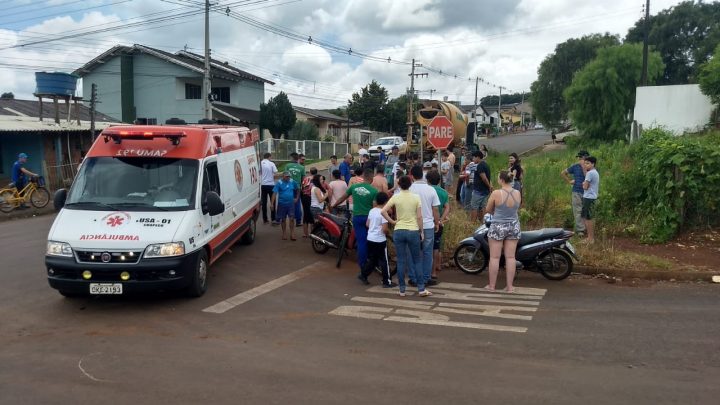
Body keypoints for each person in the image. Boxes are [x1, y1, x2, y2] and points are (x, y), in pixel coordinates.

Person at [381, 175, 429, 297]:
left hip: (399, 230)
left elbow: (383, 211)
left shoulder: (396, 197)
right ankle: (421, 289)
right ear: (410, 184)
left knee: (401, 261)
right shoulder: (416, 197)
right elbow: (419, 217)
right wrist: (422, 232)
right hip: (413, 230)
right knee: (417, 260)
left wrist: (392, 221)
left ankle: (402, 290)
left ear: (400, 185)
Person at [331, 168, 378, 272]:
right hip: (369, 219)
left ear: (363, 177)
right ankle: (371, 260)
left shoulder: (354, 187)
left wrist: (334, 205)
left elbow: (342, 198)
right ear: (371, 179)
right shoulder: (374, 191)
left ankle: (362, 265)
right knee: (371, 239)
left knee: (361, 241)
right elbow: (375, 207)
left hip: (357, 217)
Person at [485, 170, 522, 293]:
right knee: (511, 257)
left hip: (498, 225)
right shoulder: (517, 192)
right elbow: (517, 208)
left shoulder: (496, 193)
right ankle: (510, 287)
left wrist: (496, 213)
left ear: (501, 180)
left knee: (495, 257)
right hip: (513, 225)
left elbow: (488, 209)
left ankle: (492, 286)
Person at [409, 165, 440, 287]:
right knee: (427, 252)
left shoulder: (408, 189)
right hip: (428, 225)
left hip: (412, 225)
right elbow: (435, 209)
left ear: (411, 175)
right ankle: (426, 278)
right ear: (423, 176)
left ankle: (413, 277)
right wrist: (437, 222)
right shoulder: (431, 189)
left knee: (412, 252)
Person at [358, 192, 396, 288]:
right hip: (380, 240)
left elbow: (367, 224)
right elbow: (385, 229)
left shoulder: (372, 211)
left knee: (373, 260)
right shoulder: (384, 213)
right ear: (386, 202)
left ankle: (363, 274)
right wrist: (388, 234)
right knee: (384, 261)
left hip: (370, 238)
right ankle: (387, 281)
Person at [427, 170, 449, 282]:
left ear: (427, 180)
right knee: (436, 247)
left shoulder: (427, 190)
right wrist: (441, 219)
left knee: (425, 247)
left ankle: (425, 271)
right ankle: (434, 271)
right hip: (438, 223)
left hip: (426, 222)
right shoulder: (443, 192)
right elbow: (447, 207)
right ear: (439, 180)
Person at [561, 151, 589, 236]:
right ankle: (580, 230)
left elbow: (588, 177)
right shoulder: (575, 166)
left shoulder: (590, 167)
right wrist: (569, 181)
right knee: (577, 210)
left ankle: (587, 228)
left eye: (581, 158)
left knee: (586, 210)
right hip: (576, 191)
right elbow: (563, 173)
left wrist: (584, 167)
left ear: (586, 158)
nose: (579, 159)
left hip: (587, 192)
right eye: (579, 158)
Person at [271, 172, 299, 241]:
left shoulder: (292, 182)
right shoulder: (279, 183)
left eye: (289, 176)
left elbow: (298, 189)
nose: (288, 178)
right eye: (286, 176)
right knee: (283, 219)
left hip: (291, 204)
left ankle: (292, 233)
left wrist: (296, 198)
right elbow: (274, 193)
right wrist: (272, 204)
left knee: (292, 219)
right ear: (283, 176)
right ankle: (284, 233)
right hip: (282, 204)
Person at [470, 150, 492, 222]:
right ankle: (483, 222)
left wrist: (489, 186)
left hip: (478, 190)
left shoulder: (480, 166)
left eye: (474, 158)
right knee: (483, 207)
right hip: (485, 190)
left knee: (474, 207)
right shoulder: (486, 164)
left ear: (478, 157)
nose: (473, 159)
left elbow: (484, 178)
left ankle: (472, 222)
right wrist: (489, 187)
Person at [582, 156, 600, 244]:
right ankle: (590, 237)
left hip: (588, 198)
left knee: (588, 218)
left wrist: (583, 184)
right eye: (585, 163)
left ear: (593, 164)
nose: (585, 165)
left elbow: (585, 186)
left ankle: (590, 238)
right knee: (587, 217)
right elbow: (588, 184)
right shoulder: (595, 172)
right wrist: (585, 184)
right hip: (592, 197)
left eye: (588, 163)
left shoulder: (590, 173)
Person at [286, 153, 306, 227]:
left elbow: (285, 176)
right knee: (297, 204)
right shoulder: (302, 167)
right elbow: (303, 180)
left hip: (289, 187)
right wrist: (302, 187)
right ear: (298, 158)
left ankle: (291, 219)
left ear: (291, 158)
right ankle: (298, 221)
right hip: (297, 188)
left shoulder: (288, 166)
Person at [260, 153, 278, 224]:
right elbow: (275, 173)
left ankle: (265, 219)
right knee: (272, 201)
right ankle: (273, 218)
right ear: (269, 157)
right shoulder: (271, 164)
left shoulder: (260, 163)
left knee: (264, 202)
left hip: (263, 184)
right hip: (271, 184)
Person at [300, 168, 318, 238]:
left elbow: (302, 188)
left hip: (305, 198)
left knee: (306, 214)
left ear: (310, 172)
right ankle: (313, 233)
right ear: (316, 172)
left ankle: (305, 233)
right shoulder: (317, 178)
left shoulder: (305, 179)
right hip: (313, 198)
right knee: (313, 214)